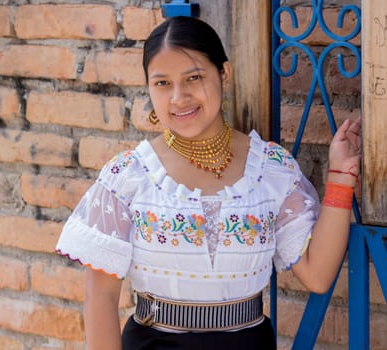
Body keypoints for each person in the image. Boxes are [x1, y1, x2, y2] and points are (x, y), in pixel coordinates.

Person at [56, 16, 361, 350]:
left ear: (224, 74)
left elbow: (317, 275)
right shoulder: (129, 176)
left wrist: (340, 177)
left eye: (194, 77)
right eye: (162, 83)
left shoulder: (271, 169)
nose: (179, 97)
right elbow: (101, 296)